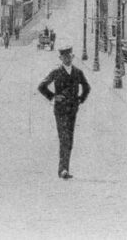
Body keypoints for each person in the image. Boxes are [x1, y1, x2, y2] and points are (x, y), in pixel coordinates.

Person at [38, 44, 91, 179]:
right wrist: (53, 96)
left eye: (69, 57)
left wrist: (80, 99)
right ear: (61, 58)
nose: (67, 59)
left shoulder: (78, 72)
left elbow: (87, 87)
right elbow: (41, 86)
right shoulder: (56, 72)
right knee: (64, 138)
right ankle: (63, 170)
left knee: (69, 139)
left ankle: (64, 168)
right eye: (64, 57)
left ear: (72, 57)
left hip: (73, 109)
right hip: (60, 110)